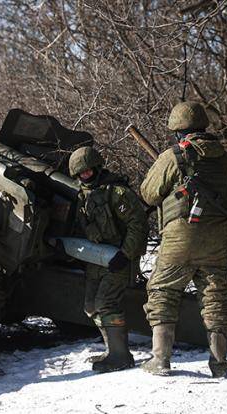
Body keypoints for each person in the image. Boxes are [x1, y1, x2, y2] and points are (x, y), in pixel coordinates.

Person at [140, 101, 227, 377]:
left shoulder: (173, 156)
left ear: (178, 131)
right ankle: (219, 365)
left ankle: (160, 360)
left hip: (180, 237)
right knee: (215, 296)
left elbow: (149, 193)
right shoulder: (226, 160)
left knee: (163, 291)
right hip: (217, 239)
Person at [68, 146, 148, 372]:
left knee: (106, 304)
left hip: (119, 258)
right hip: (97, 258)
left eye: (88, 171)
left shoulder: (117, 193)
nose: (85, 176)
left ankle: (120, 356)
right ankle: (111, 349)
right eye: (80, 173)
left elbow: (138, 225)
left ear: (97, 168)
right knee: (91, 306)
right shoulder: (82, 195)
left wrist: (125, 254)